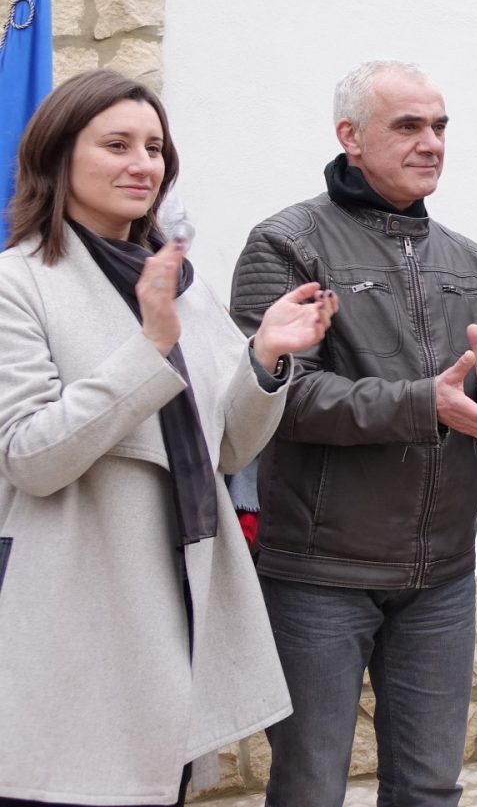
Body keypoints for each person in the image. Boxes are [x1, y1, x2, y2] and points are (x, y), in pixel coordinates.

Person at [231, 60, 477, 807]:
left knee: (430, 788)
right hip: (319, 572)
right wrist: (430, 403)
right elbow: (286, 397)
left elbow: (475, 393)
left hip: (440, 572)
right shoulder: (287, 245)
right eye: (408, 126)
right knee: (311, 786)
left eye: (440, 125)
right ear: (350, 136)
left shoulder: (472, 261)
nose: (431, 142)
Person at [0, 69, 335, 806]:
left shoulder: (181, 282)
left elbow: (226, 450)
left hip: (178, 596)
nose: (142, 164)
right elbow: (31, 457)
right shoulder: (18, 284)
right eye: (116, 144)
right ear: (58, 157)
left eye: (154, 147)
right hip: (76, 606)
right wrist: (148, 347)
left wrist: (265, 358)